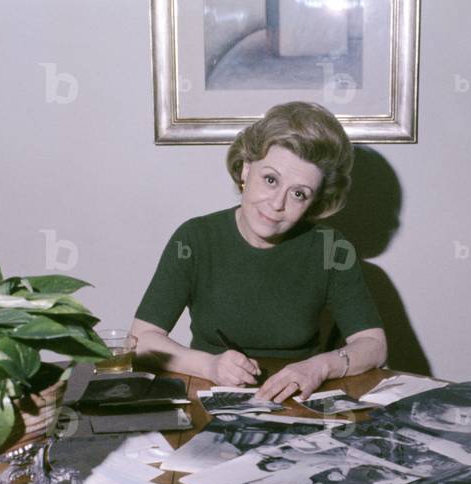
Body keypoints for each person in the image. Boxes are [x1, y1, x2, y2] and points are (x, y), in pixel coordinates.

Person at [130, 101, 387, 402]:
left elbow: (374, 344)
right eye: (270, 179)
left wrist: (319, 367)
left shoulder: (331, 248)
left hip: (298, 401)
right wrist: (209, 365)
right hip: (209, 393)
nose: (277, 203)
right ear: (246, 169)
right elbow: (140, 342)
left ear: (314, 203)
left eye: (298, 194)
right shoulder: (195, 238)